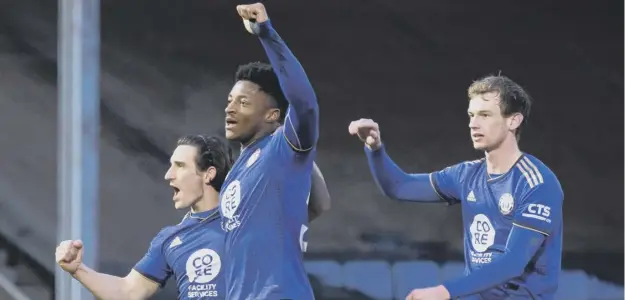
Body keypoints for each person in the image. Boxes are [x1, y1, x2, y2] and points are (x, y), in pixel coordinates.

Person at [349, 75, 563, 299]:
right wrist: (375, 148)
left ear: (513, 121)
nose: (473, 124)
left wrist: (444, 292)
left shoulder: (537, 183)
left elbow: (513, 262)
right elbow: (399, 187)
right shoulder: (467, 175)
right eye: (471, 115)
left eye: (485, 115)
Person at [55, 134, 330, 299]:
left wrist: (300, 149)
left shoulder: (253, 216)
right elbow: (129, 291)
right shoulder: (170, 239)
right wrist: (78, 270)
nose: (168, 175)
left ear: (208, 174)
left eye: (179, 166)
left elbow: (318, 204)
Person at [219, 2, 320, 299]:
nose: (230, 108)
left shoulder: (281, 148)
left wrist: (266, 33)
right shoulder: (238, 169)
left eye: (243, 102)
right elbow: (321, 203)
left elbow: (305, 104)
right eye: (230, 100)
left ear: (273, 115)